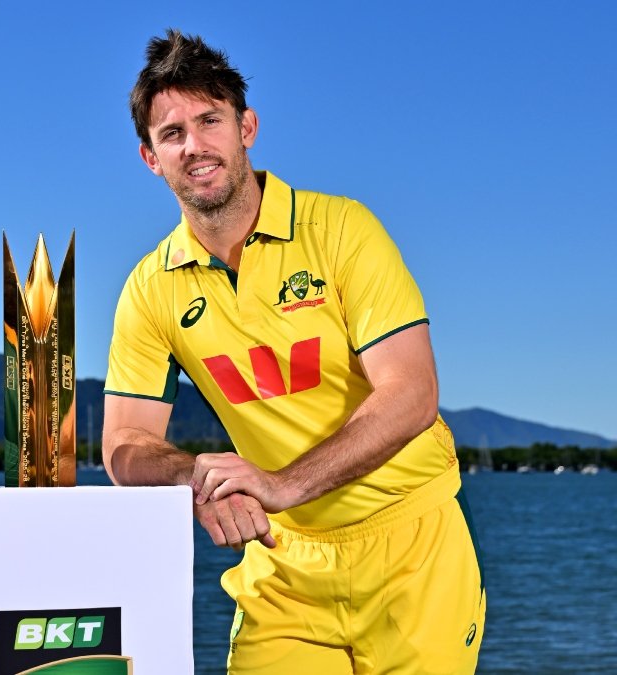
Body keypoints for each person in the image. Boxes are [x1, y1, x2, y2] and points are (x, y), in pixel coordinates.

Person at [102, 31, 485, 674]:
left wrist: (283, 484)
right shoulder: (150, 288)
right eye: (172, 134)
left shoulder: (341, 230)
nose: (194, 145)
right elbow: (123, 443)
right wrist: (199, 480)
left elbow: (412, 392)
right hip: (284, 562)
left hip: (412, 544)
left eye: (210, 120)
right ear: (150, 157)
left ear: (246, 127)